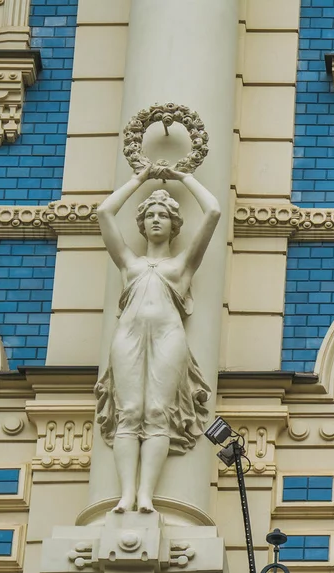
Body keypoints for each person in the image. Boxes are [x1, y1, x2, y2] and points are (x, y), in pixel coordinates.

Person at [94, 165, 222, 514]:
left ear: (173, 225)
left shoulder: (181, 266)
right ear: (141, 223)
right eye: (149, 214)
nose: (155, 220)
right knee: (129, 411)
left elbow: (213, 211)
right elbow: (104, 212)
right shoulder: (129, 265)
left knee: (156, 412)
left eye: (162, 215)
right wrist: (138, 179)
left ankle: (146, 495)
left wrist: (183, 177)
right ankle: (126, 495)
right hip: (128, 337)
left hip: (168, 337)